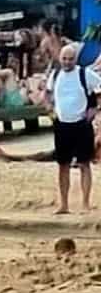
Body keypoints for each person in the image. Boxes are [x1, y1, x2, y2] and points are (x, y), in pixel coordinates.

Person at [46, 44, 96, 214]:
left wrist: (94, 109)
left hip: (81, 124)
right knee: (63, 165)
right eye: (64, 59)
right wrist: (49, 110)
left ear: (76, 59)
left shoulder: (85, 73)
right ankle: (64, 205)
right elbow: (48, 94)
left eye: (70, 59)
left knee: (84, 164)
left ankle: (85, 203)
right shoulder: (55, 75)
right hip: (62, 125)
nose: (67, 62)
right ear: (60, 59)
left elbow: (99, 89)